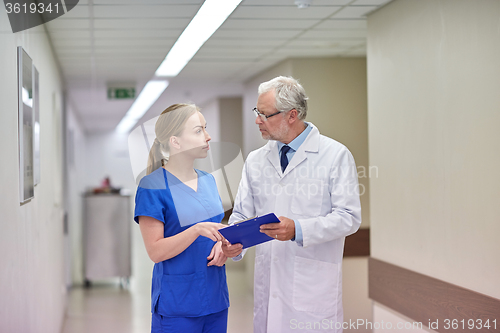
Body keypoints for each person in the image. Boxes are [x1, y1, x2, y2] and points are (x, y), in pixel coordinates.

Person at [222, 76, 362, 333]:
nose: (257, 120)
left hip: (312, 295)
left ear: (292, 115)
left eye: (264, 114)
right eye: (257, 112)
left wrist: (298, 229)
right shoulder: (256, 160)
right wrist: (234, 245)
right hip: (268, 291)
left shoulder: (335, 155)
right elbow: (242, 213)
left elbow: (349, 217)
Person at [134, 103, 229, 333]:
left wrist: (223, 245)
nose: (208, 137)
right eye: (198, 131)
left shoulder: (209, 180)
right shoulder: (152, 186)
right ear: (175, 141)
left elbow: (216, 228)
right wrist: (196, 230)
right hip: (178, 305)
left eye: (205, 129)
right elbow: (155, 251)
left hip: (215, 299)